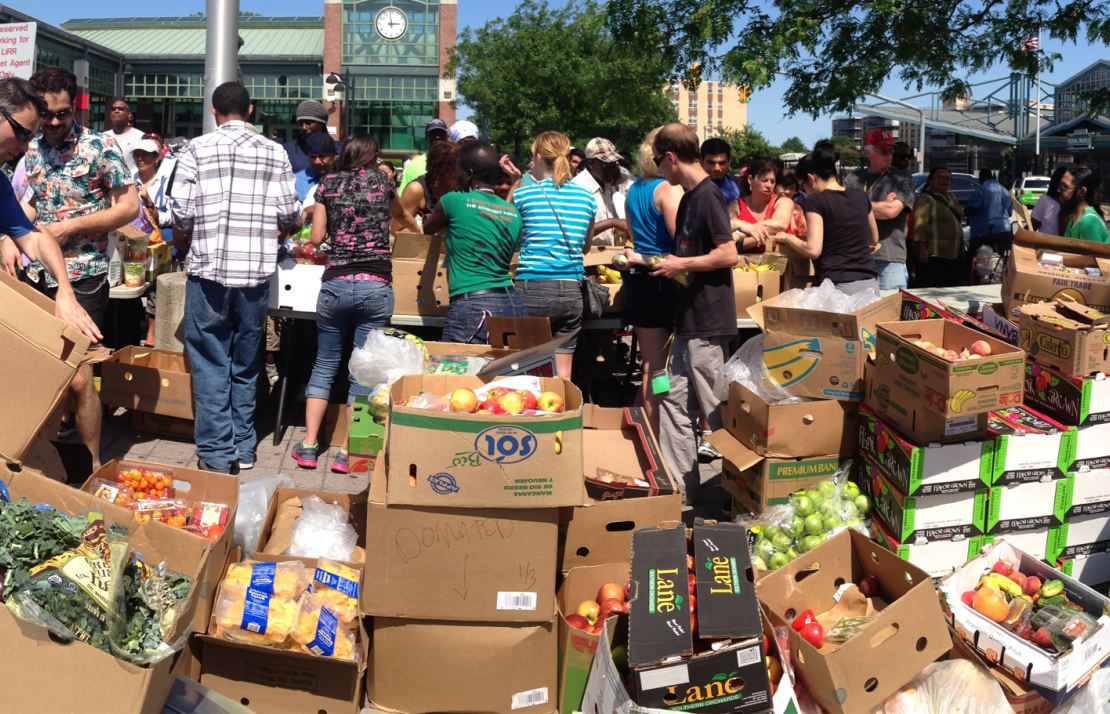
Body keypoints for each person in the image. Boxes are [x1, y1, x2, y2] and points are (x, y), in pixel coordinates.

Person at [170, 81, 301, 474]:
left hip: (208, 275)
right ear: (251, 110)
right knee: (247, 364)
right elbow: (290, 213)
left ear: (213, 111)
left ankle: (215, 452)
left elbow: (181, 213)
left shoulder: (195, 149)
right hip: (256, 278)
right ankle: (244, 447)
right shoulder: (274, 152)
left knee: (210, 364)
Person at [17, 66, 137, 466]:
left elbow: (129, 207)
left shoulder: (99, 147)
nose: (54, 122)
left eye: (63, 113)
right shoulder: (31, 147)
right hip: (36, 274)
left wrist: (72, 225)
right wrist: (8, 235)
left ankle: (91, 466)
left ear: (76, 106)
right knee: (44, 371)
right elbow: (33, 202)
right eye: (47, 114)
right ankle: (42, 460)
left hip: (85, 275)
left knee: (80, 375)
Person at [291, 134, 418, 474]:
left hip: (335, 283)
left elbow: (316, 238)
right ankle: (349, 452)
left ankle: (308, 446)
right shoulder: (382, 181)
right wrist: (416, 229)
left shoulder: (328, 183)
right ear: (371, 156)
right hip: (376, 285)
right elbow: (400, 215)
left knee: (325, 363)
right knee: (364, 370)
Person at [649, 123, 738, 506]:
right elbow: (690, 262)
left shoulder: (707, 197)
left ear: (670, 157)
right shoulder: (687, 199)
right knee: (669, 398)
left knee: (717, 411)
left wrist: (680, 263)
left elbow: (728, 254)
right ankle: (683, 493)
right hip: (686, 326)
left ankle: (742, 493)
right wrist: (649, 261)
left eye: (657, 161)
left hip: (706, 325)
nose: (657, 169)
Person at [0, 77, 101, 343]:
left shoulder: (0, 184)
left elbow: (34, 236)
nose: (25, 147)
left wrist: (65, 292)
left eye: (31, 138)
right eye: (22, 134)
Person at [503, 131, 596, 379]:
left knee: (526, 369)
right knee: (563, 374)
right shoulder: (587, 198)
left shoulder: (523, 195)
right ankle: (562, 415)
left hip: (532, 287)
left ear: (538, 156)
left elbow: (507, 237)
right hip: (572, 290)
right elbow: (585, 248)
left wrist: (515, 182)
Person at [613, 127, 684, 436]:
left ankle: (649, 433)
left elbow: (632, 232)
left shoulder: (634, 189)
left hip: (638, 282)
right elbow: (680, 239)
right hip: (663, 279)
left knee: (652, 364)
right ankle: (659, 434)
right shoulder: (667, 189)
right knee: (662, 369)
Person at [424, 141, 527, 343]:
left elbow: (428, 229)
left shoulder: (453, 201)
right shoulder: (513, 213)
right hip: (512, 303)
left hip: (473, 305)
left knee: (460, 371)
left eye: (458, 172)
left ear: (469, 174)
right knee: (505, 373)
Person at [778, 141, 878, 289]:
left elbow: (813, 250)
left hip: (839, 284)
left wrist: (787, 237)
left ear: (811, 179)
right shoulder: (861, 195)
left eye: (803, 187)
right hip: (870, 282)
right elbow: (874, 239)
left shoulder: (816, 201)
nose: (805, 192)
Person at [844, 128, 915, 289]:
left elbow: (890, 211)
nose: (889, 155)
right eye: (883, 151)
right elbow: (843, 211)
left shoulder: (902, 178)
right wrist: (880, 205)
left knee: (891, 312)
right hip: (857, 258)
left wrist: (857, 204)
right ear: (869, 151)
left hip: (889, 260)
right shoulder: (853, 179)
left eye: (891, 150)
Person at [133, 138, 175, 346]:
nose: (141, 159)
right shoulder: (128, 179)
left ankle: (152, 335)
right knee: (133, 286)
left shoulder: (167, 182)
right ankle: (132, 330)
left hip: (160, 244)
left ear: (157, 158)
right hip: (133, 242)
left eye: (146, 155)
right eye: (137, 154)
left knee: (156, 289)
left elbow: (173, 215)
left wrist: (150, 203)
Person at [912, 167, 966, 288]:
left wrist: (961, 246)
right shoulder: (926, 199)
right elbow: (919, 226)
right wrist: (922, 250)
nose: (944, 181)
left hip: (953, 254)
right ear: (930, 181)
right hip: (933, 256)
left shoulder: (951, 198)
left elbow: (958, 222)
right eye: (939, 177)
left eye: (947, 178)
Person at [570, 138, 627, 245]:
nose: (612, 170)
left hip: (605, 253)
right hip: (586, 257)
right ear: (591, 164)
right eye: (607, 165)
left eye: (614, 165)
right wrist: (613, 222)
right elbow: (577, 232)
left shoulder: (605, 184)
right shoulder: (578, 187)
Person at [734, 157, 793, 252]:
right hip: (743, 265)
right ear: (750, 179)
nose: (769, 185)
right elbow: (728, 234)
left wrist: (742, 232)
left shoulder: (784, 202)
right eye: (764, 180)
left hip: (778, 264)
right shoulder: (736, 205)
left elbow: (780, 225)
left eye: (772, 181)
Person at [401, 140, 460, 229]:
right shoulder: (416, 189)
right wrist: (426, 231)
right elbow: (397, 229)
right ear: (439, 173)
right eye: (454, 177)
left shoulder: (462, 191)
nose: (459, 182)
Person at [965, 168, 1016, 256]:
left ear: (981, 178)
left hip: (984, 234)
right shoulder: (1006, 191)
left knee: (980, 263)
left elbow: (970, 210)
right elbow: (1010, 213)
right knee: (999, 261)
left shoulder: (980, 191)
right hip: (1006, 232)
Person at [281, 100, 338, 175]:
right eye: (300, 123)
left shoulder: (339, 150)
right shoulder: (287, 150)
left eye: (309, 122)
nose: (304, 127)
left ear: (321, 125)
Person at [398, 119, 449, 195]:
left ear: (447, 137)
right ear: (426, 139)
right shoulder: (414, 165)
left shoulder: (456, 163)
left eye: (441, 133)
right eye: (433, 133)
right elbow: (403, 196)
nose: (437, 136)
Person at [1060, 166, 1110, 243]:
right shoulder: (1074, 219)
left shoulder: (1088, 223)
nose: (1059, 190)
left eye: (1064, 187)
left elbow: (1093, 254)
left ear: (1082, 192)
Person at [700, 138, 741, 215]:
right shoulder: (689, 187)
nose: (717, 168)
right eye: (711, 163)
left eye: (722, 163)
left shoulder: (738, 184)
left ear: (729, 162)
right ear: (701, 161)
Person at [294, 131, 336, 202]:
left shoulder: (341, 179)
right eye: (313, 157)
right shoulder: (295, 181)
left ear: (333, 156)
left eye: (322, 156)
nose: (317, 162)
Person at [106, 99, 145, 173]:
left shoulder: (140, 136)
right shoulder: (103, 136)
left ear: (129, 115)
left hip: (131, 182)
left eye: (121, 108)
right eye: (113, 109)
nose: (116, 111)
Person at [1031, 166, 1068, 235]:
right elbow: (1032, 226)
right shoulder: (1045, 200)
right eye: (1061, 185)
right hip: (1045, 244)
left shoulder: (1074, 205)